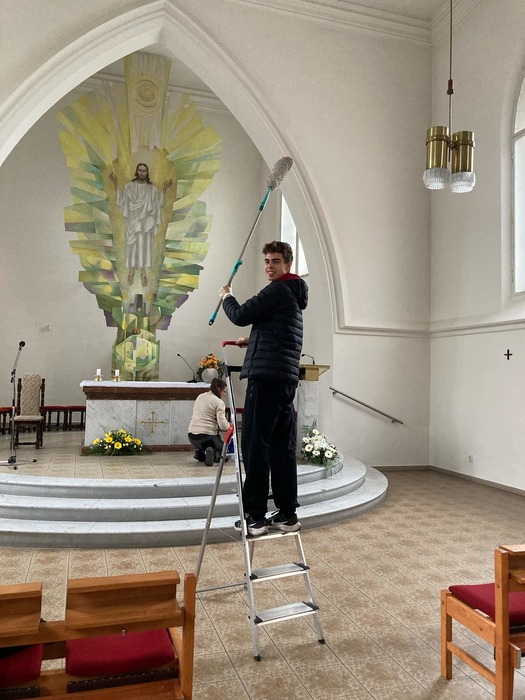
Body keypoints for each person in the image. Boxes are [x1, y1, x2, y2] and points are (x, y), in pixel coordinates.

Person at [219, 241, 308, 536]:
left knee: (255, 446)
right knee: (282, 448)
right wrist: (254, 340)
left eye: (276, 261)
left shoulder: (278, 289)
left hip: (266, 378)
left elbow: (241, 315)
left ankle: (254, 517)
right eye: (267, 261)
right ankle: (287, 514)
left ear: (288, 265)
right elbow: (278, 332)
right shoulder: (292, 294)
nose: (270, 266)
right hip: (283, 379)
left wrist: (227, 297)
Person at [110, 164, 172, 287]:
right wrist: (115, 184)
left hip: (145, 224)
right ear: (136, 171)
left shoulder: (152, 190)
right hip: (132, 223)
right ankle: (131, 272)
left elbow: (158, 205)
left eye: (144, 171)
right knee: (133, 247)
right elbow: (121, 202)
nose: (142, 173)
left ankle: (143, 273)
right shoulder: (129, 187)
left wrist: (164, 190)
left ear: (147, 172)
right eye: (140, 170)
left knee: (144, 247)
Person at [188, 377, 231, 466]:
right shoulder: (219, 402)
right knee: (224, 451)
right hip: (207, 437)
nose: (224, 394)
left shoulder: (200, 396)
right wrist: (230, 426)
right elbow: (223, 426)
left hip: (192, 436)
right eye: (224, 391)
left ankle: (199, 452)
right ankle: (213, 453)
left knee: (205, 443)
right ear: (218, 389)